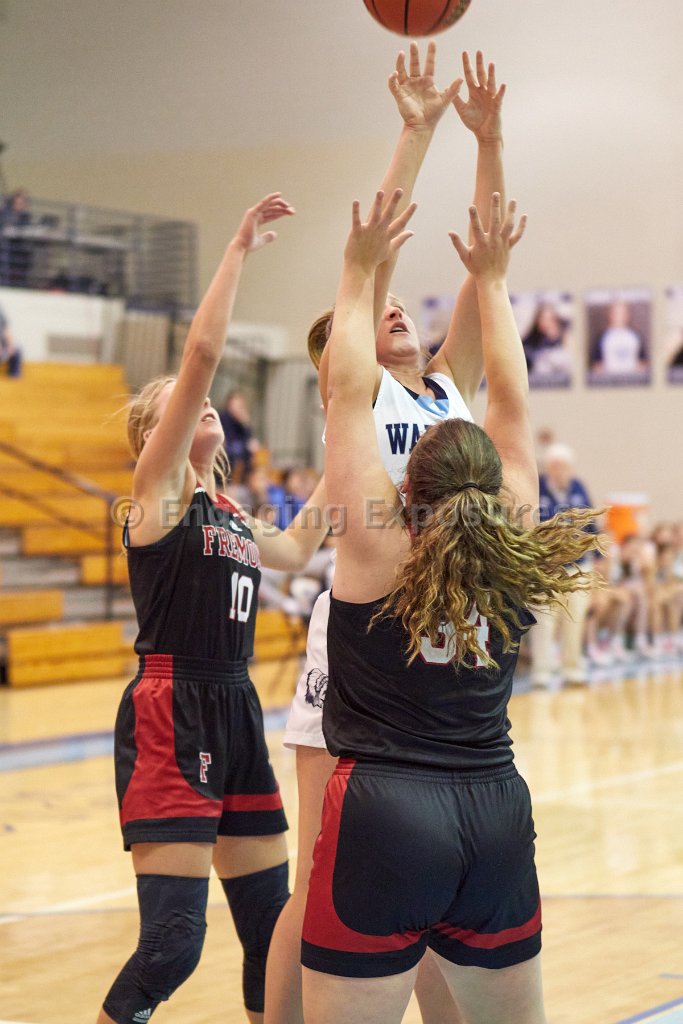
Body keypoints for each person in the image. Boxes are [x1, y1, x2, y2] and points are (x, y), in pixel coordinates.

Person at [300, 188, 599, 1024]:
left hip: (384, 809)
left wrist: (357, 267)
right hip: (494, 807)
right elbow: (512, 401)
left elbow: (345, 396)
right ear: (495, 484)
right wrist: (494, 283)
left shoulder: (377, 550)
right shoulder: (517, 544)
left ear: (408, 485)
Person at [267, 46, 511, 1024]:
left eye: (404, 309)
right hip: (365, 638)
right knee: (327, 865)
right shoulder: (359, 397)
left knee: (426, 863)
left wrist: (486, 140)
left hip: (444, 633)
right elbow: (371, 260)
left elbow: (488, 267)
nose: (396, 310)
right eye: (377, 314)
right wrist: (412, 133)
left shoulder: (450, 387)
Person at [97, 193, 332, 1024]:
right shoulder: (157, 492)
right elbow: (201, 352)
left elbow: (298, 548)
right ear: (152, 434)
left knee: (272, 931)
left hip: (233, 706)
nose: (199, 400)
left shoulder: (229, 513)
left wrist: (351, 431)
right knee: (173, 945)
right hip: (173, 706)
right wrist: (236, 249)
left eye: (197, 399)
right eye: (179, 399)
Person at [530, 443, 597, 687]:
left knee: (575, 619)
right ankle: (542, 672)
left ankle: (572, 669)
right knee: (544, 620)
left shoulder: (578, 487)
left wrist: (598, 560)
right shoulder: (537, 488)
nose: (560, 471)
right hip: (545, 569)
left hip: (577, 567)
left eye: (565, 466)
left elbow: (592, 526)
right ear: (548, 467)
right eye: (556, 466)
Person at [589, 300, 647, 377]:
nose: (619, 316)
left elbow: (643, 365)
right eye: (616, 313)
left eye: (622, 312)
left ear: (627, 315)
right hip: (609, 381)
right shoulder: (602, 338)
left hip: (632, 380)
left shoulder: (636, 337)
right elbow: (596, 367)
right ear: (610, 314)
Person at [521, 303, 571, 383]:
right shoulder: (530, 342)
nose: (547, 322)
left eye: (550, 319)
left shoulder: (562, 338)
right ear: (537, 320)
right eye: (543, 319)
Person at [219, 388, 261, 482]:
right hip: (226, 453)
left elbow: (248, 439)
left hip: (237, 453)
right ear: (229, 404)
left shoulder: (240, 422)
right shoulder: (224, 418)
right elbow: (229, 442)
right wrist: (246, 446)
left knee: (252, 452)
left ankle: (246, 480)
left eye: (241, 405)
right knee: (241, 452)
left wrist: (246, 424)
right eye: (237, 404)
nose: (239, 408)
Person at [0, 306, 22, 376]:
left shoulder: (1, 315)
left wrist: (10, 346)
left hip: (2, 347)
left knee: (17, 349)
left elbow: (6, 331)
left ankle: (14, 375)